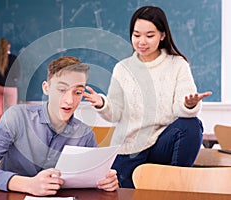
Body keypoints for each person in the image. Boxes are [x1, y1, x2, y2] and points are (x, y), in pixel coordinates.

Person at [83, 6, 212, 188]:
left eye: (149, 36)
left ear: (162, 35)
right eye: (136, 35)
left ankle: (176, 188)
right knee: (116, 191)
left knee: (191, 125)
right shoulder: (123, 68)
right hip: (129, 149)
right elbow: (115, 113)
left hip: (161, 145)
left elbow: (180, 109)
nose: (142, 41)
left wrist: (188, 105)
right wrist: (103, 103)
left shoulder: (177, 65)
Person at [0, 56, 119, 196]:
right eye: (62, 90)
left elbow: (91, 179)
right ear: (46, 88)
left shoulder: (85, 135)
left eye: (78, 92)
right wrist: (28, 184)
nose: (69, 100)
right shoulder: (17, 117)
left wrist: (105, 182)